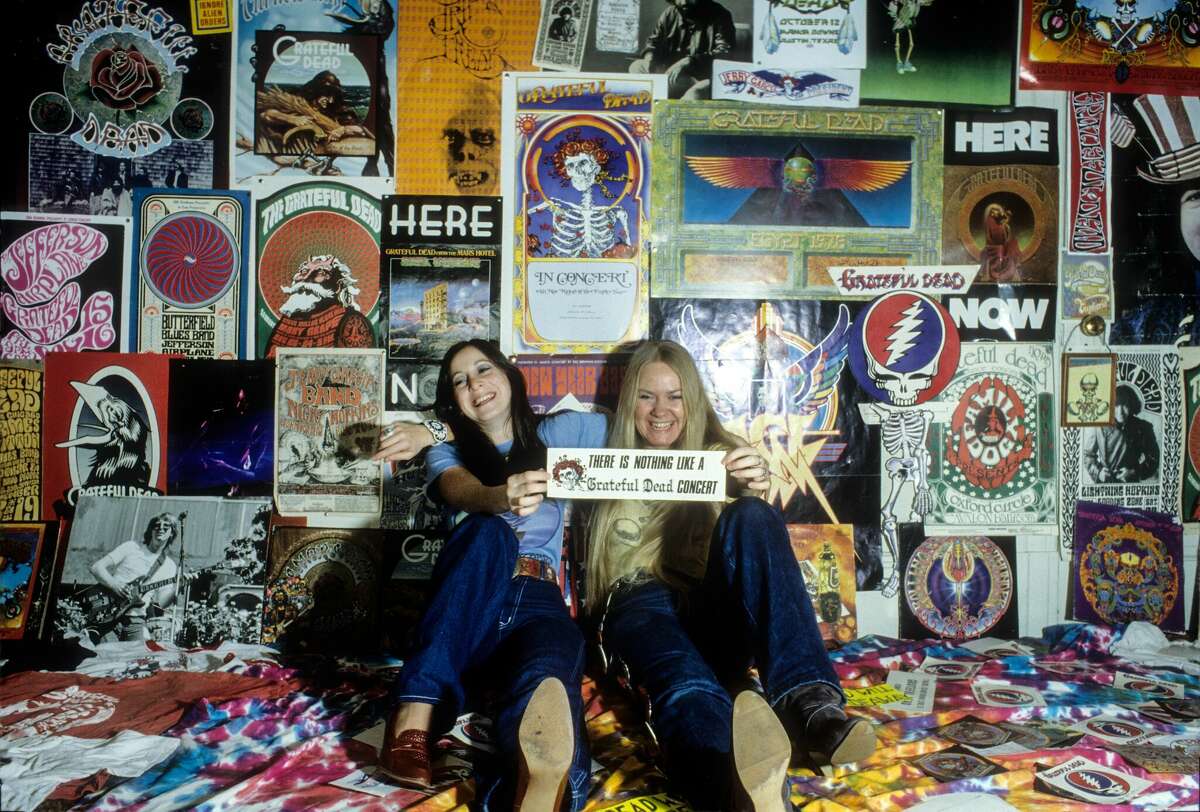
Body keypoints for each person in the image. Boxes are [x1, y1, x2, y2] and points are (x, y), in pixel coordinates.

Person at [586, 340, 875, 810]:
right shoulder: (598, 438)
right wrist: (433, 435)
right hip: (638, 602)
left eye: (675, 396)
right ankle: (731, 782)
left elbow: (748, 494)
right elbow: (513, 429)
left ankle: (811, 708)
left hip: (711, 609)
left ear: (694, 400)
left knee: (754, 517)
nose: (661, 410)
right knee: (684, 680)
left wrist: (750, 484)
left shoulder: (725, 453)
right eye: (646, 395)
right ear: (628, 401)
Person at [375, 339, 608, 811]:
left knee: (549, 675)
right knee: (489, 534)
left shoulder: (561, 431)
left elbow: (649, 432)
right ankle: (412, 719)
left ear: (509, 375)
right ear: (453, 399)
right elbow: (462, 492)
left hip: (539, 597)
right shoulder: (448, 450)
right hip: (471, 602)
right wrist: (500, 495)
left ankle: (534, 791)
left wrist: (727, 456)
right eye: (460, 380)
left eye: (483, 369)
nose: (475, 384)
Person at [89, 513, 181, 642]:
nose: (160, 528)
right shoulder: (131, 547)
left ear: (172, 533)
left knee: (135, 660)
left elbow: (162, 602)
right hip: (109, 616)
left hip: (136, 621)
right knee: (106, 656)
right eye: (157, 525)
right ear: (151, 529)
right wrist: (115, 584)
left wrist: (179, 586)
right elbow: (96, 567)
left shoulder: (169, 565)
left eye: (166, 527)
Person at [628, 0, 734, 100]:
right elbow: (654, 42)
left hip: (702, 78)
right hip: (673, 75)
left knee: (695, 94)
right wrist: (649, 56)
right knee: (637, 66)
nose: (684, 2)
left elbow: (724, 54)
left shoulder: (721, 15)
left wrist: (691, 61)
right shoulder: (669, 14)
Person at [1083, 384, 1160, 484]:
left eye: (1125, 405)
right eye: (1116, 405)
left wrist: (1134, 472)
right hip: (1105, 484)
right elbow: (1088, 456)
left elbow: (1154, 458)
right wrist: (1099, 473)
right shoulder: (1100, 426)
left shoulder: (1143, 427)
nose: (1120, 412)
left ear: (1132, 405)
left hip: (1131, 485)